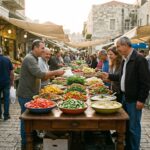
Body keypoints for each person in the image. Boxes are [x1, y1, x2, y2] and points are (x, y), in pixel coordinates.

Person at [101, 37, 150, 150]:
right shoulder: (124, 59)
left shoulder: (139, 59)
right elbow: (121, 77)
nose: (117, 49)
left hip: (134, 100)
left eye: (118, 46)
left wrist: (141, 100)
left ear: (125, 45)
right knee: (126, 126)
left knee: (133, 127)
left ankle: (134, 148)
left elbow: (145, 82)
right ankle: (128, 146)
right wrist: (109, 76)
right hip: (124, 97)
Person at [17, 39, 64, 149]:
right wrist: (56, 72)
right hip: (26, 93)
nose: (43, 51)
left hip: (31, 93)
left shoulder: (34, 58)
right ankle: (25, 143)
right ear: (35, 48)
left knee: (31, 119)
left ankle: (33, 137)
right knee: (26, 119)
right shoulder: (29, 59)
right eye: (42, 48)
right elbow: (39, 74)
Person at [0, 47, 14, 120]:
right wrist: (12, 82)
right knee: (6, 99)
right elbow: (12, 72)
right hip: (6, 82)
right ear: (1, 51)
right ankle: (6, 115)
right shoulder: (7, 60)